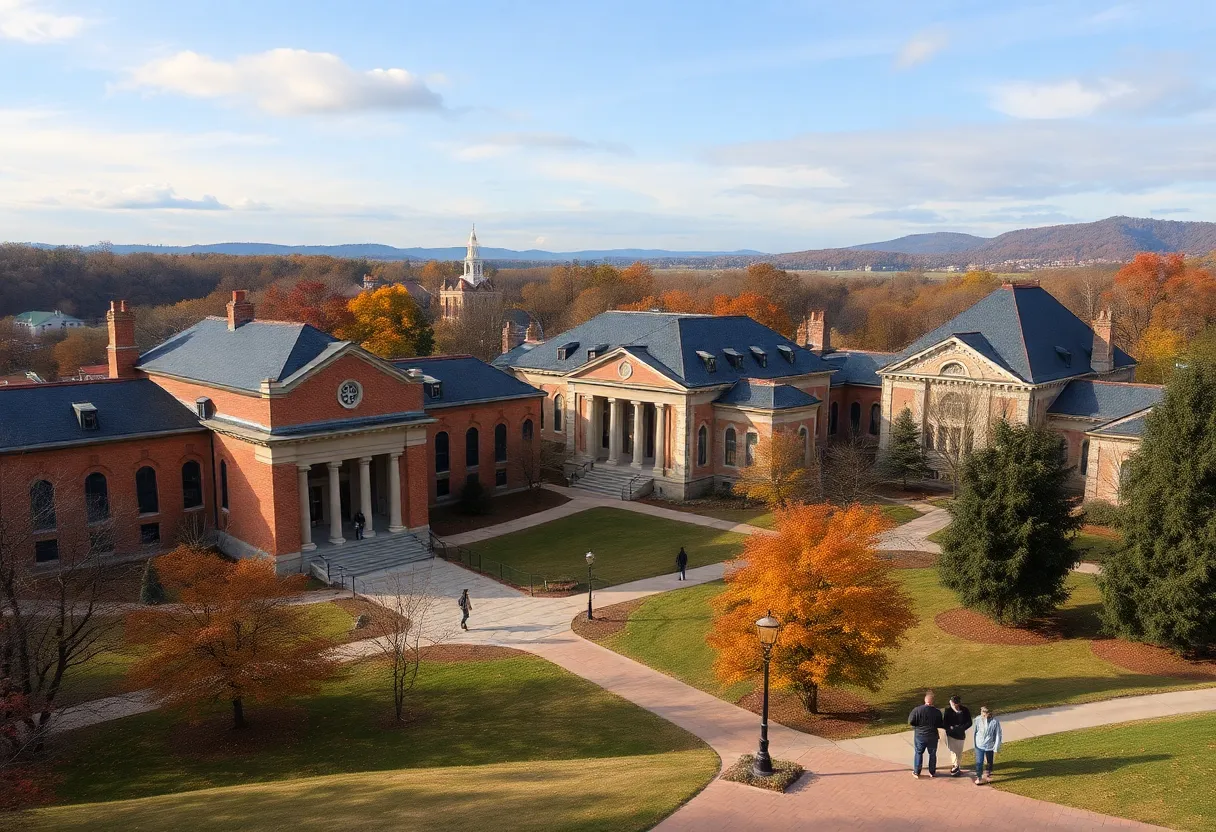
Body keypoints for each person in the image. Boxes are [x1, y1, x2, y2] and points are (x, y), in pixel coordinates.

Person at [908, 690, 944, 778]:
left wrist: (917, 727)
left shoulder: (917, 710)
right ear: (932, 702)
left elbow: (911, 721)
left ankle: (917, 772)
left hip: (920, 735)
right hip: (932, 736)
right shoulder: (937, 712)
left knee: (919, 752)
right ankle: (932, 772)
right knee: (932, 753)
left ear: (925, 700)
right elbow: (940, 724)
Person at [942, 694, 973, 776]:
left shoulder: (964, 710)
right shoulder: (948, 711)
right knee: (953, 751)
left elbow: (969, 722)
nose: (955, 705)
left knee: (959, 752)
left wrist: (961, 728)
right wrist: (951, 729)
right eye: (953, 703)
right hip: (951, 735)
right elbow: (945, 724)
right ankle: (955, 767)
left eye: (956, 703)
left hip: (960, 735)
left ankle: (956, 766)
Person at [973, 704, 1002, 785]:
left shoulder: (995, 722)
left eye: (986, 713)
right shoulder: (978, 719)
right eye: (982, 712)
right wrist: (975, 744)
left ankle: (988, 771)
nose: (984, 714)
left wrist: (996, 747)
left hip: (989, 745)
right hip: (979, 744)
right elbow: (975, 732)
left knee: (989, 761)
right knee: (979, 762)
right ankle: (979, 777)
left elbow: (998, 734)